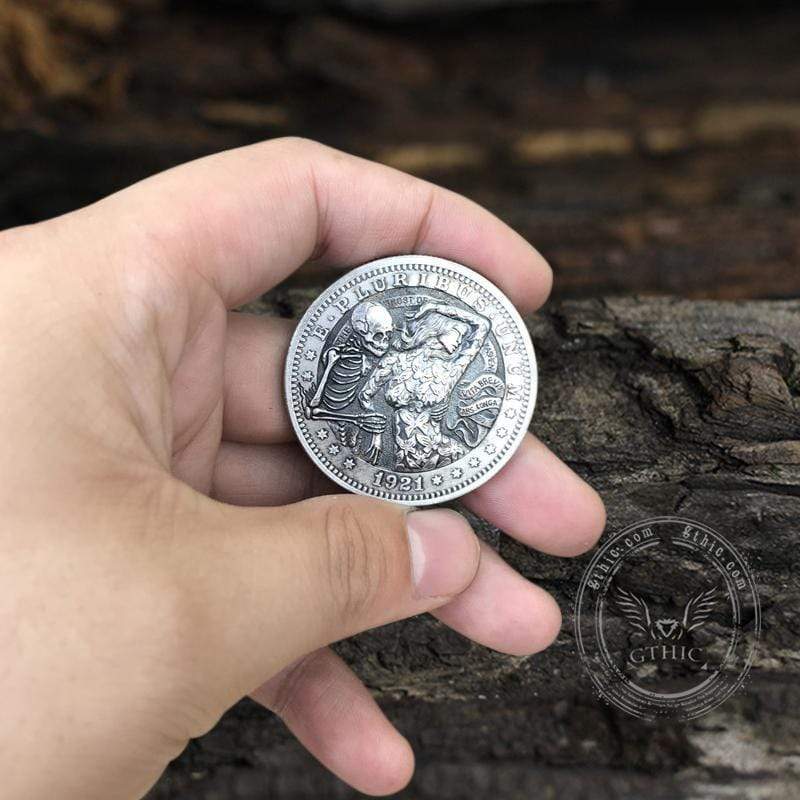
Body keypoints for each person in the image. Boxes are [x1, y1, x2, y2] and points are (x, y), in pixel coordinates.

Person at [0, 138, 605, 799]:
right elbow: (385, 393)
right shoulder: (388, 373)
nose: (442, 341)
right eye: (437, 337)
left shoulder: (432, 367)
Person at [359, 301, 491, 470]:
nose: (460, 340)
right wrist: (376, 435)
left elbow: (483, 325)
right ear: (439, 329)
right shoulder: (395, 361)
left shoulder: (452, 369)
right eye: (456, 333)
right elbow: (364, 396)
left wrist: (436, 307)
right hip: (404, 451)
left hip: (440, 449)